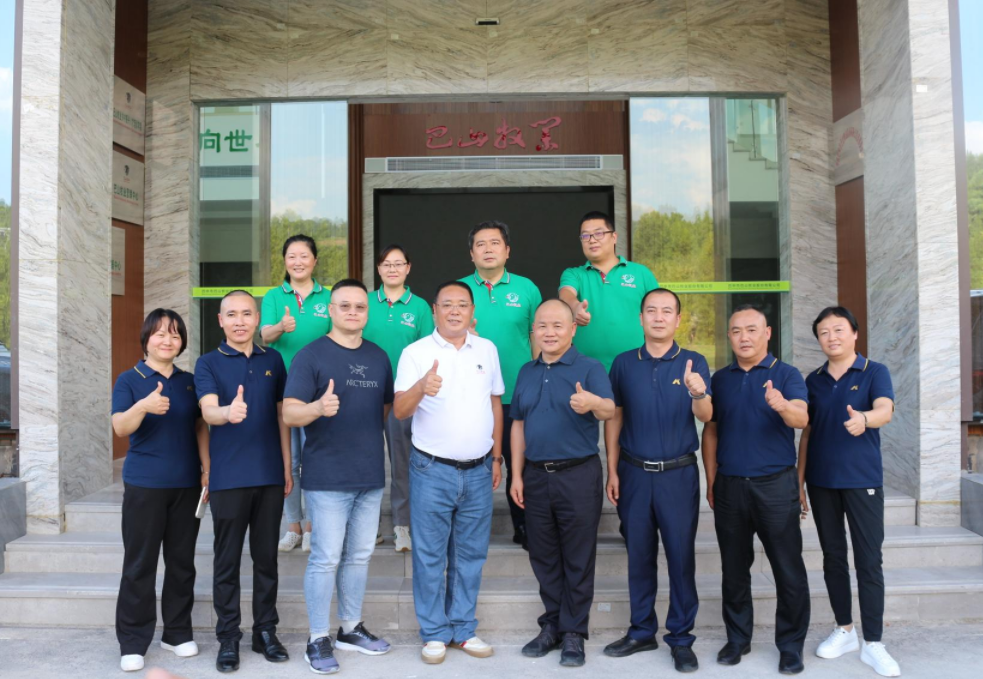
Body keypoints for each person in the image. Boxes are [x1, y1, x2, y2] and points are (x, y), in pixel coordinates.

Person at [283, 279, 395, 674]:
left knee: (359, 555)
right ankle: (317, 637)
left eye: (359, 307)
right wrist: (317, 408)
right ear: (330, 310)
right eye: (344, 306)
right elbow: (289, 413)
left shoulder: (379, 357)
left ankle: (350, 628)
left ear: (367, 312)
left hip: (369, 475)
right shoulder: (310, 356)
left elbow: (383, 410)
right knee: (326, 558)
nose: (352, 312)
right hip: (327, 478)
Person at [393, 281, 504, 665]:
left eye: (462, 305)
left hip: (479, 468)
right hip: (431, 469)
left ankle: (463, 628)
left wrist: (497, 456)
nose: (455, 311)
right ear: (435, 311)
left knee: (470, 554)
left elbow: (495, 403)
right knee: (429, 555)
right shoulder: (415, 353)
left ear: (473, 311)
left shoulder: (487, 349)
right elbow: (400, 411)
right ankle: (434, 633)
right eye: (447, 305)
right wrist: (422, 387)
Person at [603, 288, 711, 673]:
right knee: (639, 557)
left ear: (678, 320)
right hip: (634, 473)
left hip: (678, 475)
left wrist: (698, 392)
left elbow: (707, 414)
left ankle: (681, 638)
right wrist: (612, 469)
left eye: (667, 311)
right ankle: (641, 630)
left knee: (680, 558)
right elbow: (614, 417)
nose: (659, 317)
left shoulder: (694, 362)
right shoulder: (623, 363)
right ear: (641, 318)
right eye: (652, 310)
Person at [702, 304, 810, 675]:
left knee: (788, 569)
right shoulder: (720, 379)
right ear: (729, 336)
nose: (744, 337)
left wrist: (781, 405)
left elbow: (801, 417)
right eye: (736, 331)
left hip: (775, 486)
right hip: (730, 486)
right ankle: (737, 639)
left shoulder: (786, 374)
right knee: (734, 569)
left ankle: (790, 646)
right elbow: (711, 430)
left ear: (767, 334)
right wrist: (711, 479)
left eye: (751, 330)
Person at [509, 300, 615, 667]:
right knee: (543, 554)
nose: (549, 332)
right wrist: (516, 474)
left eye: (558, 325)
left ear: (572, 329)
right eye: (542, 326)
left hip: (578, 475)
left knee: (578, 555)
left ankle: (573, 632)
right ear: (533, 332)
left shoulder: (589, 367)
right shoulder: (526, 371)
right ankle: (551, 625)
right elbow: (518, 424)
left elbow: (609, 410)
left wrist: (592, 402)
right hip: (536, 476)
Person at [799, 307, 899, 677]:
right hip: (821, 482)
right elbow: (807, 433)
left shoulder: (874, 371)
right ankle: (845, 630)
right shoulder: (813, 380)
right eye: (824, 332)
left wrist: (865, 419)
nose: (832, 337)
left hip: (862, 481)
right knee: (833, 558)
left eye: (838, 329)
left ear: (854, 333)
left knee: (869, 561)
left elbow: (885, 409)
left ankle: (874, 642)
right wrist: (799, 482)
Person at [196, 290, 292, 673]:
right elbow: (207, 411)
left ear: (257, 319)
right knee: (227, 562)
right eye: (232, 314)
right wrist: (226, 412)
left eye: (247, 314)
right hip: (229, 477)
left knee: (267, 559)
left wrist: (287, 466)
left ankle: (265, 631)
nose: (240, 321)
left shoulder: (274, 360)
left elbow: (282, 415)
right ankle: (228, 637)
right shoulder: (208, 363)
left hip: (269, 475)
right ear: (220, 320)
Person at [112, 310, 208, 673]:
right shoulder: (129, 379)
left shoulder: (189, 381)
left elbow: (200, 427)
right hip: (145, 485)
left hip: (186, 484)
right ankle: (133, 641)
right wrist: (143, 405)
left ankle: (177, 633)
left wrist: (207, 469)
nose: (168, 340)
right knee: (140, 564)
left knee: (182, 563)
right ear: (146, 339)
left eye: (175, 334)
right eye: (160, 334)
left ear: (182, 342)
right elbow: (121, 427)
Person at [459, 221, 542, 550]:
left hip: (518, 394)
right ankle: (471, 531)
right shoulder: (460, 291)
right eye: (481, 244)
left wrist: (539, 382)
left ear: (507, 251)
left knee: (522, 463)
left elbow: (537, 338)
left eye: (495, 243)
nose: (488, 249)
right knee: (476, 466)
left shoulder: (527, 289)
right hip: (473, 397)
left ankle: (525, 526)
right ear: (471, 254)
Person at [261, 234, 332, 554]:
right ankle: (293, 526)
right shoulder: (274, 296)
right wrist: (281, 326)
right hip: (282, 389)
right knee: (287, 460)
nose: (298, 261)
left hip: (317, 390)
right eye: (292, 256)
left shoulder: (328, 296)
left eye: (304, 256)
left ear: (314, 261)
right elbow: (265, 335)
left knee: (314, 459)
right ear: (285, 261)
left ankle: (314, 526)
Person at [364, 245, 434, 553]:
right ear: (378, 269)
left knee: (402, 462)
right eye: (386, 264)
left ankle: (401, 525)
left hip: (403, 396)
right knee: (365, 462)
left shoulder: (419, 307)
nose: (392, 269)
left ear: (408, 268)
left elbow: (428, 351)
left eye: (398, 263)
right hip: (364, 393)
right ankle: (368, 526)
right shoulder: (365, 302)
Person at [559, 211, 658, 371]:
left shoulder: (641, 273)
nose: (592, 240)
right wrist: (575, 307)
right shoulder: (574, 274)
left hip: (636, 367)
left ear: (614, 237)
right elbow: (566, 294)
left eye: (599, 233)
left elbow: (658, 313)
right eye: (585, 236)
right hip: (585, 370)